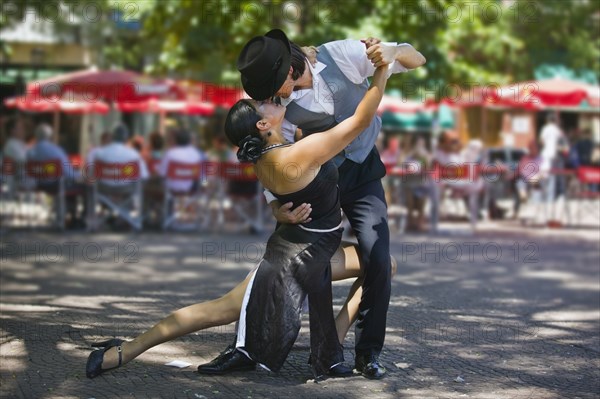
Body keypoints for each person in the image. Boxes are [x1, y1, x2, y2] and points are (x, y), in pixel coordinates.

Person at [86, 54, 393, 379]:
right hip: (293, 262)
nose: (270, 99)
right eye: (262, 104)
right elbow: (360, 121)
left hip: (310, 249)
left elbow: (283, 188)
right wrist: (383, 70)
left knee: (383, 264)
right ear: (263, 124)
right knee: (216, 311)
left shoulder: (267, 155)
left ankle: (334, 339)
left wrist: (278, 209)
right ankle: (123, 352)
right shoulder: (295, 155)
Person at [199, 29, 425, 380]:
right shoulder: (281, 109)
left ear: (288, 71)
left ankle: (367, 354)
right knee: (277, 263)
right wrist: (276, 206)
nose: (272, 97)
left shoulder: (341, 55)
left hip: (363, 173)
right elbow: (278, 158)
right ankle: (246, 346)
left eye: (274, 88)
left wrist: (391, 50)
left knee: (378, 258)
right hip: (319, 184)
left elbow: (416, 58)